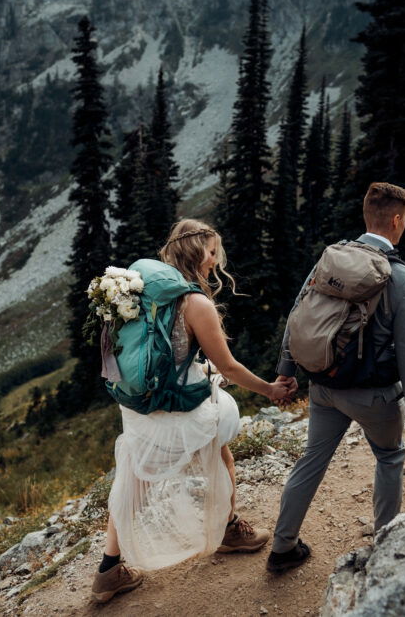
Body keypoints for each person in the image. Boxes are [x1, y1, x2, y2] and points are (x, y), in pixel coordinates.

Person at [92, 218, 297, 604]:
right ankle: (229, 529)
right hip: (175, 405)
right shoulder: (194, 302)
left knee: (133, 477)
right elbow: (232, 367)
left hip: (137, 403)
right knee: (220, 437)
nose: (215, 260)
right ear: (202, 252)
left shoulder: (142, 290)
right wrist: (270, 389)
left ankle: (109, 569)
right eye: (213, 251)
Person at [266, 182, 405, 573]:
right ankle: (385, 547)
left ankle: (282, 546)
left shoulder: (332, 257)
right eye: (404, 220)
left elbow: (297, 313)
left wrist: (286, 372)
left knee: (311, 461)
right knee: (389, 457)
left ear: (366, 217)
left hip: (323, 385)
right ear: (396, 220)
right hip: (374, 397)